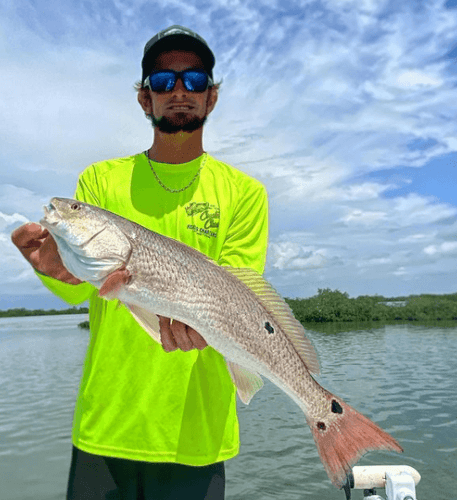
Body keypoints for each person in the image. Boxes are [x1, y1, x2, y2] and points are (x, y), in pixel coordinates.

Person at [11, 25, 268, 500]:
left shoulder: (245, 193)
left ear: (211, 98)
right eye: (162, 80)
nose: (178, 92)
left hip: (198, 433)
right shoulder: (99, 181)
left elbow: (240, 298)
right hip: (107, 426)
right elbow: (81, 287)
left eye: (193, 81)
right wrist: (48, 265)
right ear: (144, 98)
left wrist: (203, 324)